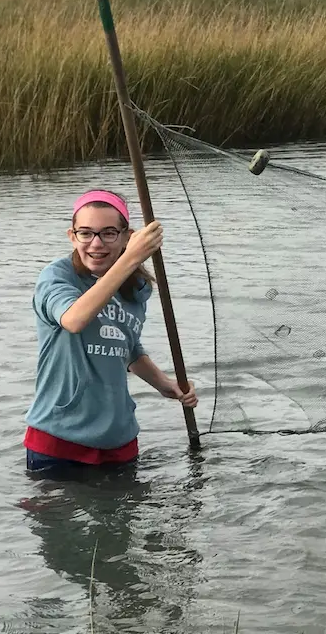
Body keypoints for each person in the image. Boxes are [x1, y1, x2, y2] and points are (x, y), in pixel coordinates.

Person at [26, 190, 197, 475]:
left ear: (126, 236)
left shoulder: (137, 288)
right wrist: (129, 259)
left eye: (108, 233)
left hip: (120, 440)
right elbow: (75, 319)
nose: (96, 244)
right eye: (86, 233)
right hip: (58, 441)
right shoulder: (57, 277)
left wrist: (167, 385)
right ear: (72, 236)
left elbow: (128, 347)